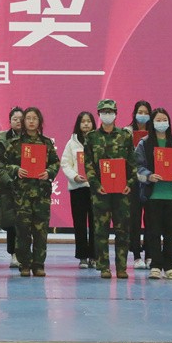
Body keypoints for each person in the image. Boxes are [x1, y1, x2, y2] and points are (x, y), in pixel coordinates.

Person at [0, 106, 60, 277]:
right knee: (22, 230)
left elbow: (55, 162)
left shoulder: (46, 143)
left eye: (34, 118)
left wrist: (49, 172)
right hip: (21, 195)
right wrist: (16, 169)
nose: (31, 121)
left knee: (41, 231)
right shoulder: (15, 144)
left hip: (41, 194)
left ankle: (39, 264)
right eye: (28, 118)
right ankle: (24, 263)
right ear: (23, 122)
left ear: (39, 121)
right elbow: (4, 163)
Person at [135, 107, 172, 280]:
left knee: (170, 233)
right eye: (158, 120)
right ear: (152, 123)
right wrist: (148, 176)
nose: (162, 123)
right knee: (153, 233)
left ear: (169, 122)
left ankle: (170, 266)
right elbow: (136, 166)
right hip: (153, 196)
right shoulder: (144, 143)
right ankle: (155, 266)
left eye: (164, 120)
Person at [84, 98, 135, 279]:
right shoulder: (91, 137)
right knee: (101, 231)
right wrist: (96, 185)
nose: (107, 115)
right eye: (104, 112)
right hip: (101, 193)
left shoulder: (125, 136)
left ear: (116, 114)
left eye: (110, 112)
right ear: (99, 114)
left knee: (123, 231)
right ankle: (104, 267)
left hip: (122, 193)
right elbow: (88, 165)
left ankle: (121, 267)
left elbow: (132, 163)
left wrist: (129, 184)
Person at [61, 111, 97, 269]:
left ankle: (94, 256)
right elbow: (65, 163)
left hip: (95, 189)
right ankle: (82, 256)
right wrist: (74, 176)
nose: (86, 124)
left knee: (95, 224)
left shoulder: (98, 141)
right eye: (83, 121)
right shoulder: (72, 143)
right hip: (78, 188)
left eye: (89, 121)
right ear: (78, 124)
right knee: (80, 223)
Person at [0, 106, 23, 269]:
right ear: (10, 121)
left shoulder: (32, 138)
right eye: (14, 119)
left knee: (26, 222)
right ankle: (14, 254)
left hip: (27, 187)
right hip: (8, 186)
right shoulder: (2, 138)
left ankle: (25, 254)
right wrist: (8, 180)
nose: (18, 121)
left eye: (21, 119)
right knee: (11, 222)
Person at [127, 100, 153, 269]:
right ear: (134, 113)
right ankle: (136, 255)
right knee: (134, 219)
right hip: (133, 182)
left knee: (150, 219)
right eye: (140, 112)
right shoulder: (126, 132)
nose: (142, 115)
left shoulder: (155, 133)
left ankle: (150, 255)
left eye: (146, 112)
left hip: (150, 180)